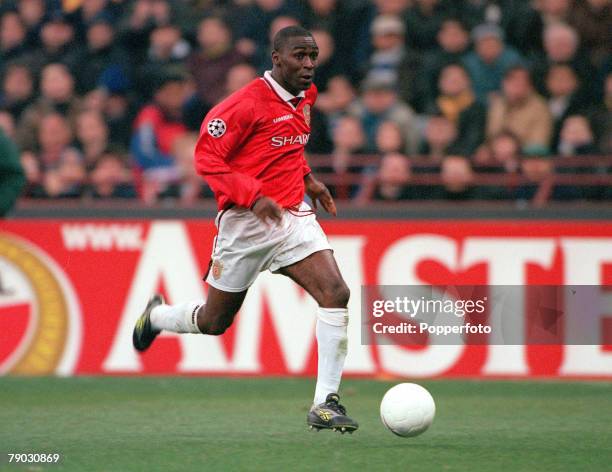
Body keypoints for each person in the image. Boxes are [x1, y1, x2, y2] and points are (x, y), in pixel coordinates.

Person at [132, 26, 358, 434]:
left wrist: (309, 180)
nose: (308, 65)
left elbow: (287, 146)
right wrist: (253, 196)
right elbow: (207, 159)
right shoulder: (241, 106)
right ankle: (158, 316)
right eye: (299, 56)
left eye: (313, 56)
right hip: (246, 224)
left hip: (291, 216)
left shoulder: (307, 96)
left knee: (336, 292)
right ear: (276, 58)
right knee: (215, 321)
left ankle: (325, 403)